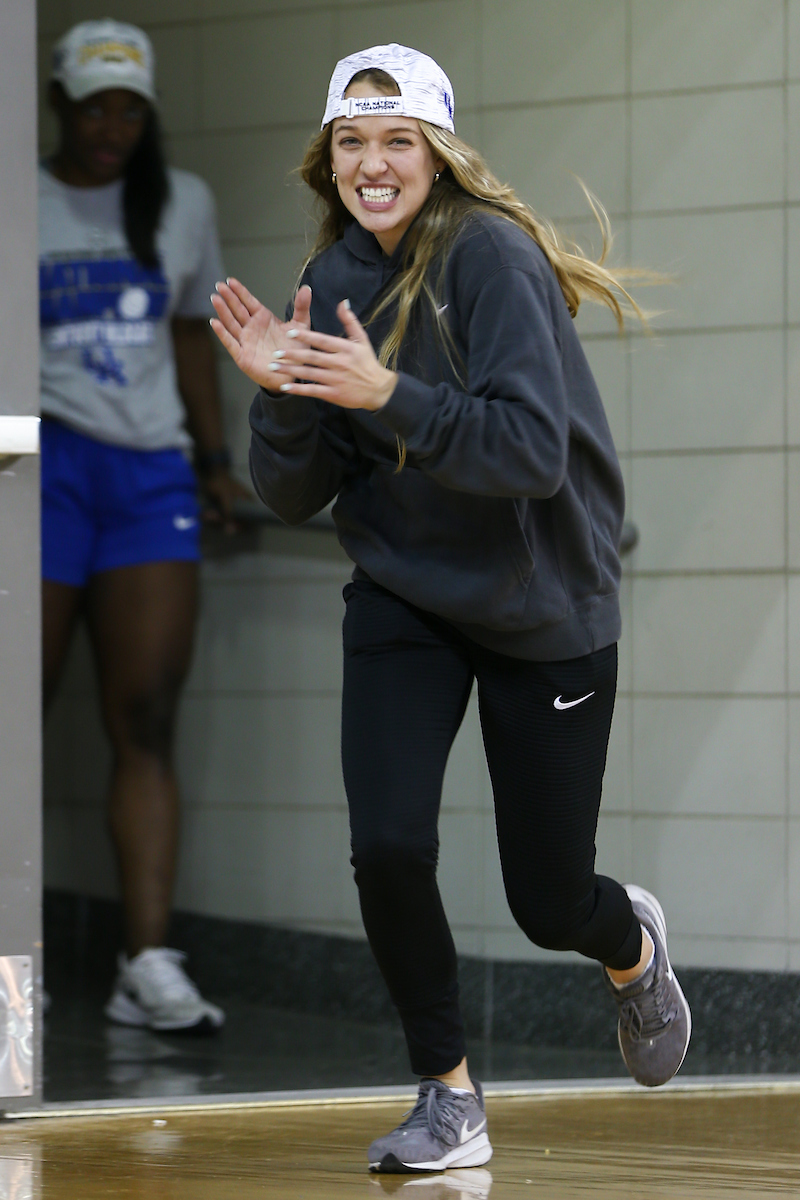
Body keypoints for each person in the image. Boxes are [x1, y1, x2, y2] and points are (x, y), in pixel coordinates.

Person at [211, 43, 691, 1173]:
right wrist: (283, 393)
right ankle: (448, 1096)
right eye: (350, 143)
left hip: (542, 607)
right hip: (402, 595)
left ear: (436, 153)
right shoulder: (331, 278)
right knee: (385, 844)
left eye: (395, 142)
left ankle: (630, 945)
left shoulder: (492, 259)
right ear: (326, 161)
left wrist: (392, 393)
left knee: (545, 899)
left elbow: (529, 452)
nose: (371, 164)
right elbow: (290, 492)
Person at [41, 20, 247, 1033]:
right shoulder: (18, 198)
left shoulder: (182, 203)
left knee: (147, 716)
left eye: (129, 106)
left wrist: (216, 466)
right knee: (11, 722)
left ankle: (147, 964)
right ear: (57, 103)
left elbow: (189, 336)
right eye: (93, 104)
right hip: (37, 466)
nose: (112, 125)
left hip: (149, 473)